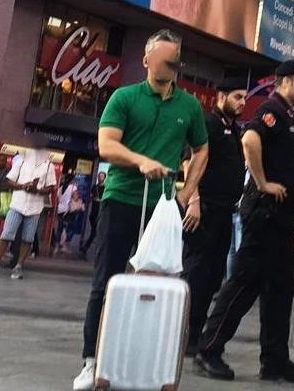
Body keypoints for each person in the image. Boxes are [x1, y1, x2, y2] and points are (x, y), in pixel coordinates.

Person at [73, 29, 209, 391]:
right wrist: (140, 161)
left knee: (160, 281)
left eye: (175, 62)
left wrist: (187, 192)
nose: (172, 68)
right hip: (122, 199)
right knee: (106, 282)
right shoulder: (125, 97)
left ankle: (149, 360)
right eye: (165, 61)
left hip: (163, 207)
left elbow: (201, 149)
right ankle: (92, 360)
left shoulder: (189, 106)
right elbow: (107, 145)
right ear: (147, 60)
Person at [194, 61, 294, 382]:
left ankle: (275, 361)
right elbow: (250, 140)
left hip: (281, 217)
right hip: (264, 213)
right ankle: (208, 349)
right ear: (285, 82)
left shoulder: (288, 117)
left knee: (280, 290)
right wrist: (262, 183)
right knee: (243, 284)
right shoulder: (271, 111)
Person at [185, 76, 250, 364]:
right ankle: (185, 335)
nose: (242, 103)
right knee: (197, 275)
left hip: (225, 212)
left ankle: (196, 333)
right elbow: (189, 162)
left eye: (244, 98)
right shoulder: (209, 124)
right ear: (221, 97)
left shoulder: (233, 130)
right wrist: (194, 200)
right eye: (237, 97)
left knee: (212, 278)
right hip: (205, 210)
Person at [0, 136, 57, 279]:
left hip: (35, 207)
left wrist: (37, 190)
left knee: (28, 238)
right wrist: (22, 186)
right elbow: (9, 181)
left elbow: (50, 188)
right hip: (17, 204)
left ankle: (19, 267)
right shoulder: (22, 161)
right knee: (6, 234)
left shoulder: (49, 166)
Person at [79, 170, 105, 258]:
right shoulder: (95, 187)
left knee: (95, 231)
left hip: (100, 212)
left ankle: (86, 247)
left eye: (102, 176)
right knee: (95, 231)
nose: (100, 178)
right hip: (94, 212)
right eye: (99, 176)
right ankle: (93, 248)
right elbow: (90, 197)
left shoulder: (105, 187)